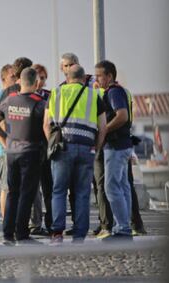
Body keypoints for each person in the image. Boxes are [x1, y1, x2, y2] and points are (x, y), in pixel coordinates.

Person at [44, 65, 107, 244]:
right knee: (82, 192)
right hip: (86, 148)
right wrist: (96, 148)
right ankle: (79, 234)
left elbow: (46, 124)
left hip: (62, 148)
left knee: (59, 191)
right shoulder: (94, 96)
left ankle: (57, 232)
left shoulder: (56, 93)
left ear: (68, 77)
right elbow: (103, 127)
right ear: (83, 78)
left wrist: (52, 143)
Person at [0, 67, 45, 245]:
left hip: (11, 153)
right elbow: (47, 126)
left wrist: (7, 141)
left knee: (12, 193)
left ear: (20, 81)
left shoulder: (8, 100)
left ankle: (7, 233)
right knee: (27, 194)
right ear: (36, 83)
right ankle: (22, 233)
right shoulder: (39, 102)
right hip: (31, 152)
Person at [95, 60, 134, 241]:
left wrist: (104, 129)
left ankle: (122, 228)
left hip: (116, 147)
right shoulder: (116, 91)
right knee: (123, 187)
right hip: (122, 145)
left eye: (99, 76)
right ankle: (124, 226)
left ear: (109, 76)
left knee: (112, 187)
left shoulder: (113, 92)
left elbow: (122, 116)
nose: (97, 79)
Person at [0, 64, 17, 220]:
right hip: (3, 150)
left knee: (13, 187)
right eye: (13, 76)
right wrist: (7, 146)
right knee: (6, 188)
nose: (16, 79)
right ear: (3, 78)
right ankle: (8, 222)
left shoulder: (13, 96)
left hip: (11, 149)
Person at [28, 64, 53, 236]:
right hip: (32, 148)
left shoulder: (51, 96)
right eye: (38, 77)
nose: (40, 81)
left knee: (49, 187)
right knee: (33, 188)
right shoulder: (25, 97)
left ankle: (51, 222)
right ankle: (35, 222)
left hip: (47, 148)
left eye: (43, 78)